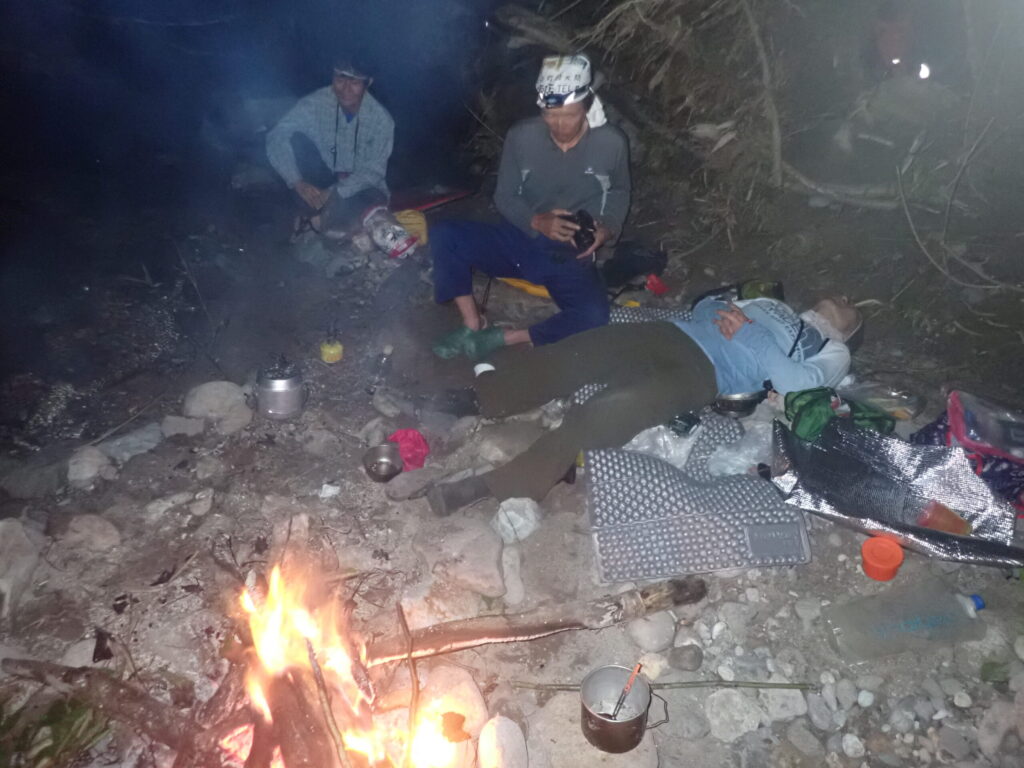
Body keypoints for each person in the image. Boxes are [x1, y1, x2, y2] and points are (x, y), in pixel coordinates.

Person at [425, 295, 863, 515]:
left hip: (701, 375)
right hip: (667, 333)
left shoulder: (832, 350)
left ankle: (496, 485)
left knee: (611, 412)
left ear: (849, 330)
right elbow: (705, 305)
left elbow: (796, 382)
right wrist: (718, 308)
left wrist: (749, 335)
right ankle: (484, 396)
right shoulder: (772, 303)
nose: (840, 299)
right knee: (575, 353)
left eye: (849, 306)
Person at [430, 54, 631, 361]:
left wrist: (606, 228)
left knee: (593, 315)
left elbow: (619, 191)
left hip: (568, 253)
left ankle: (505, 338)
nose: (560, 125)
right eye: (551, 115)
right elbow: (505, 196)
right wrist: (536, 221)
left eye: (570, 115)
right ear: (540, 107)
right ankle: (472, 323)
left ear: (587, 105)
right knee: (445, 234)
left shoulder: (611, 143)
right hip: (517, 239)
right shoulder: (522, 137)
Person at [266, 58, 416, 258]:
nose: (346, 89)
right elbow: (276, 135)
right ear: (332, 76)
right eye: (340, 79)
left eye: (355, 82)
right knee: (297, 148)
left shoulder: (381, 120)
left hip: (362, 189)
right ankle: (314, 226)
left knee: (396, 240)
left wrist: (336, 192)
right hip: (321, 182)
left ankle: (330, 228)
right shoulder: (314, 104)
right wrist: (296, 181)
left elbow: (372, 172)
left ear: (368, 82)